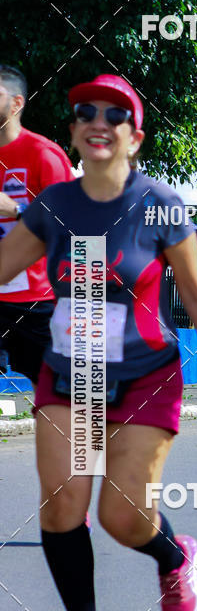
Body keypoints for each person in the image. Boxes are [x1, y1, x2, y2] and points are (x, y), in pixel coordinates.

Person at [0, 73, 197, 611]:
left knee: (123, 518)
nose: (99, 121)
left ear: (135, 136)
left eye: (115, 114)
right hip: (69, 371)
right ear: (72, 131)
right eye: (85, 112)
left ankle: (174, 556)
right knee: (61, 505)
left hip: (146, 375)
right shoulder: (54, 206)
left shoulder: (159, 206)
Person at [0, 65, 73, 387]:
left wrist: (16, 210)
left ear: (16, 104)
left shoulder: (43, 155)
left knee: (62, 397)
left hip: (35, 300)